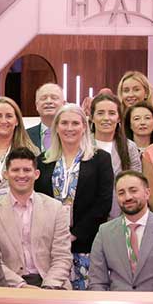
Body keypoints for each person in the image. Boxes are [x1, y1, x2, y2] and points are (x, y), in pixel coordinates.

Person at [33, 104, 113, 290]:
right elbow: (37, 200)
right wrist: (56, 237)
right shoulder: (43, 161)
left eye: (75, 123)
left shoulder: (100, 159)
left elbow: (103, 202)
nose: (69, 128)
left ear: (84, 127)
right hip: (50, 246)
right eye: (64, 123)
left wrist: (74, 234)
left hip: (87, 244)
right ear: (56, 127)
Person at [0, 148, 72, 289]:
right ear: (6, 174)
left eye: (27, 170)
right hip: (10, 286)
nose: (21, 175)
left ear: (36, 174)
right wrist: (21, 287)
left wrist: (48, 287)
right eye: (15, 170)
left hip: (51, 284)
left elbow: (62, 257)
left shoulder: (56, 209)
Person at [88, 171, 153, 292]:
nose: (128, 197)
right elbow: (96, 283)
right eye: (121, 193)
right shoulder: (104, 232)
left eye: (133, 190)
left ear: (147, 193)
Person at [90, 92, 143, 218]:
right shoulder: (82, 144)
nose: (106, 118)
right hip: (87, 217)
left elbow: (136, 183)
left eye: (112, 113)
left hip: (120, 215)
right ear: (92, 117)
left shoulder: (129, 147)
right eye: (100, 113)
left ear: (119, 118)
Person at [26, 83, 64, 153]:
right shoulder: (25, 136)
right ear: (36, 105)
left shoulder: (72, 133)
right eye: (43, 98)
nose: (48, 101)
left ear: (63, 104)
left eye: (54, 98)